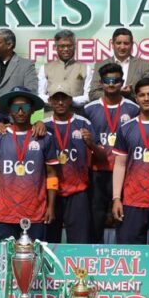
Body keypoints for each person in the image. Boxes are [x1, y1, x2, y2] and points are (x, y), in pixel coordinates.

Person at [0, 87, 58, 241]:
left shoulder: (45, 137)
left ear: (32, 109)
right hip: (5, 214)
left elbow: (52, 174)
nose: (20, 112)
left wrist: (51, 207)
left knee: (35, 255)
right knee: (5, 255)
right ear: (9, 110)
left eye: (25, 107)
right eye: (16, 108)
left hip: (36, 214)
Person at [84, 63, 140, 243]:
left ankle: (123, 257)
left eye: (115, 80)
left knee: (123, 219)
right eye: (107, 80)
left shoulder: (133, 108)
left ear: (122, 82)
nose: (111, 84)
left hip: (124, 173)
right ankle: (94, 257)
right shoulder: (89, 109)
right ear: (101, 83)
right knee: (95, 221)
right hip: (98, 172)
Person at [111, 77, 149, 245]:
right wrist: (116, 198)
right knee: (130, 254)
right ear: (136, 98)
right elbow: (120, 164)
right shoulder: (126, 128)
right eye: (142, 95)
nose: (146, 98)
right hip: (132, 201)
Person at [44, 84, 101, 243]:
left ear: (70, 100)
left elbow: (102, 156)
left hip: (78, 193)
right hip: (50, 193)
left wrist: (91, 144)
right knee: (49, 243)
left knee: (79, 243)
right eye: (56, 99)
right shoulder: (43, 125)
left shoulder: (83, 123)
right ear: (49, 101)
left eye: (64, 98)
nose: (60, 102)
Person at [0, 28, 38, 110]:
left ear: (9, 45)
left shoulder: (26, 65)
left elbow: (31, 91)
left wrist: (13, 104)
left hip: (13, 115)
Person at [87, 27, 149, 101]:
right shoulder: (100, 65)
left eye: (126, 43)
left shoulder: (143, 65)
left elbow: (148, 92)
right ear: (112, 44)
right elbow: (93, 94)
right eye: (118, 43)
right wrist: (116, 93)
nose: (122, 47)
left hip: (133, 107)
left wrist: (131, 93)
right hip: (107, 107)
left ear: (132, 45)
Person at [38, 30, 92, 109]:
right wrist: (55, 101)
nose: (66, 49)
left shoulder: (85, 68)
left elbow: (89, 96)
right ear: (56, 47)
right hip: (51, 114)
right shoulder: (45, 68)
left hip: (76, 114)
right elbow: (40, 94)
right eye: (62, 46)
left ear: (75, 46)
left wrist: (70, 101)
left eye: (69, 46)